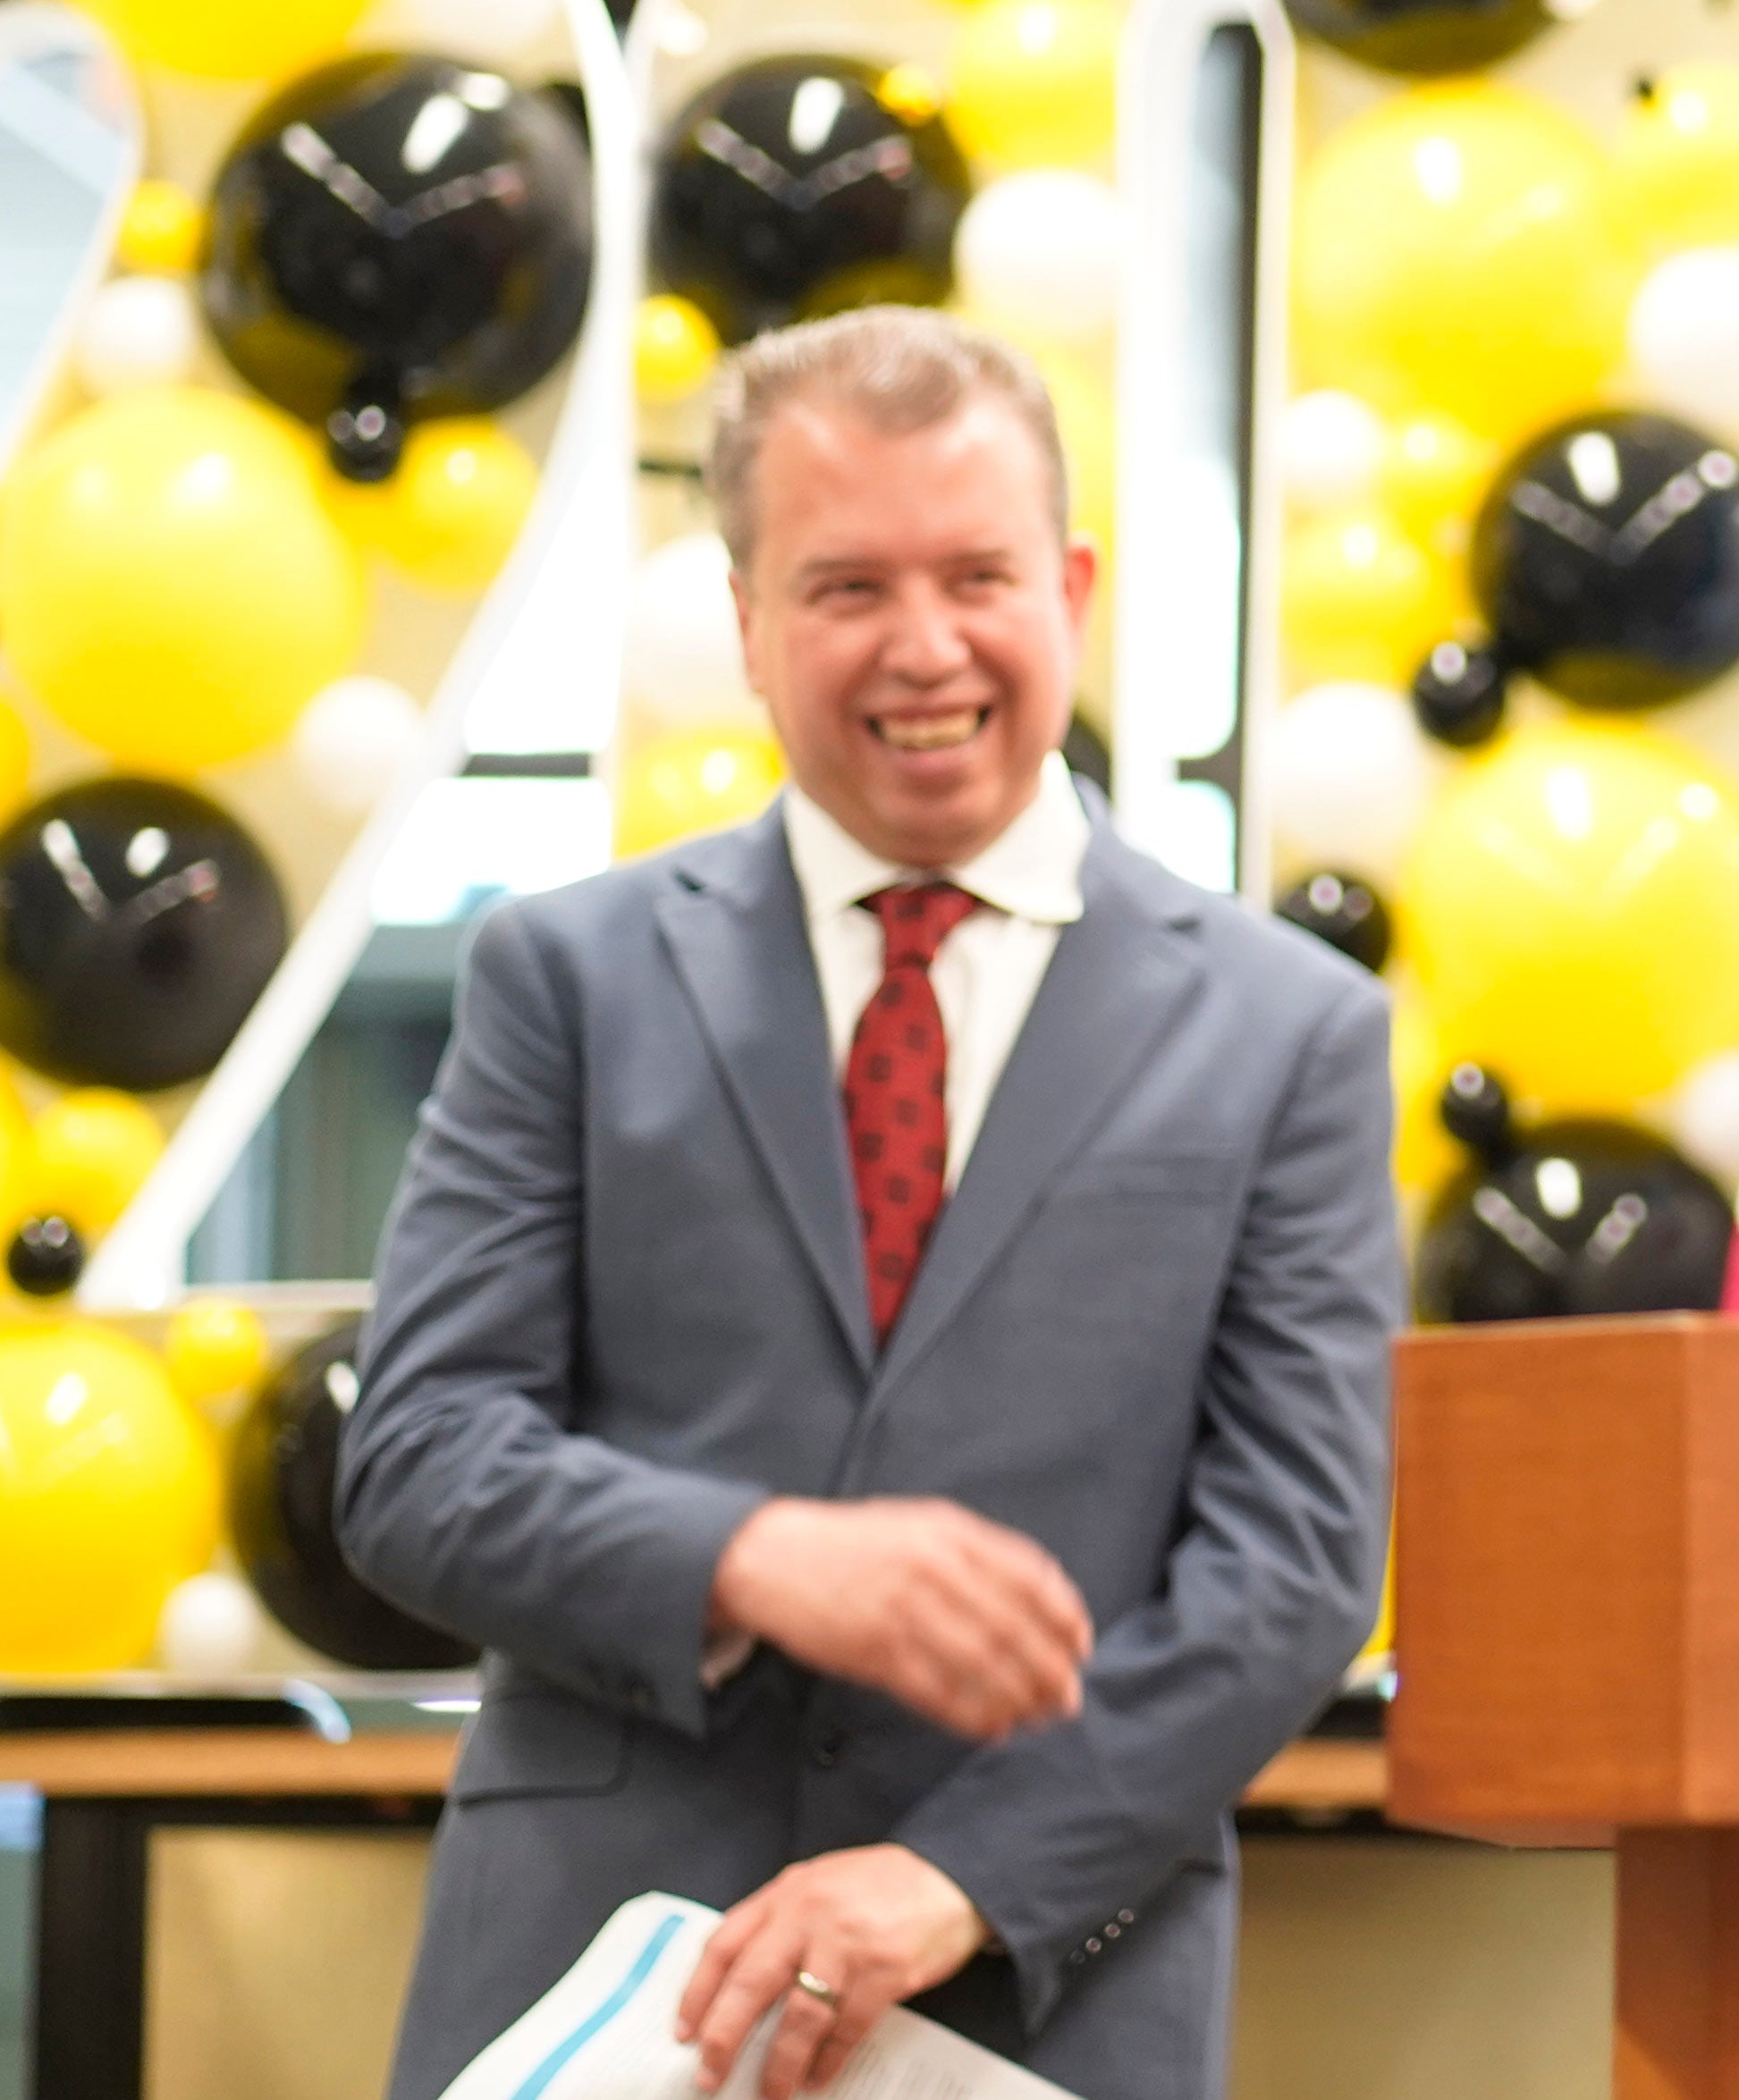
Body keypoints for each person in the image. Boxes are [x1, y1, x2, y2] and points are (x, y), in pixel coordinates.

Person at [342, 308, 1399, 2100]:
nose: (926, 649)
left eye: (977, 573)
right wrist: (755, 1557)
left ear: (1070, 586)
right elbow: (418, 1462)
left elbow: (1293, 1567)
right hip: (601, 1981)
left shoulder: (1292, 1029)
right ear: (747, 625)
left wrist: (958, 1878)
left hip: (1043, 1988)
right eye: (844, 589)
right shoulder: (562, 978)